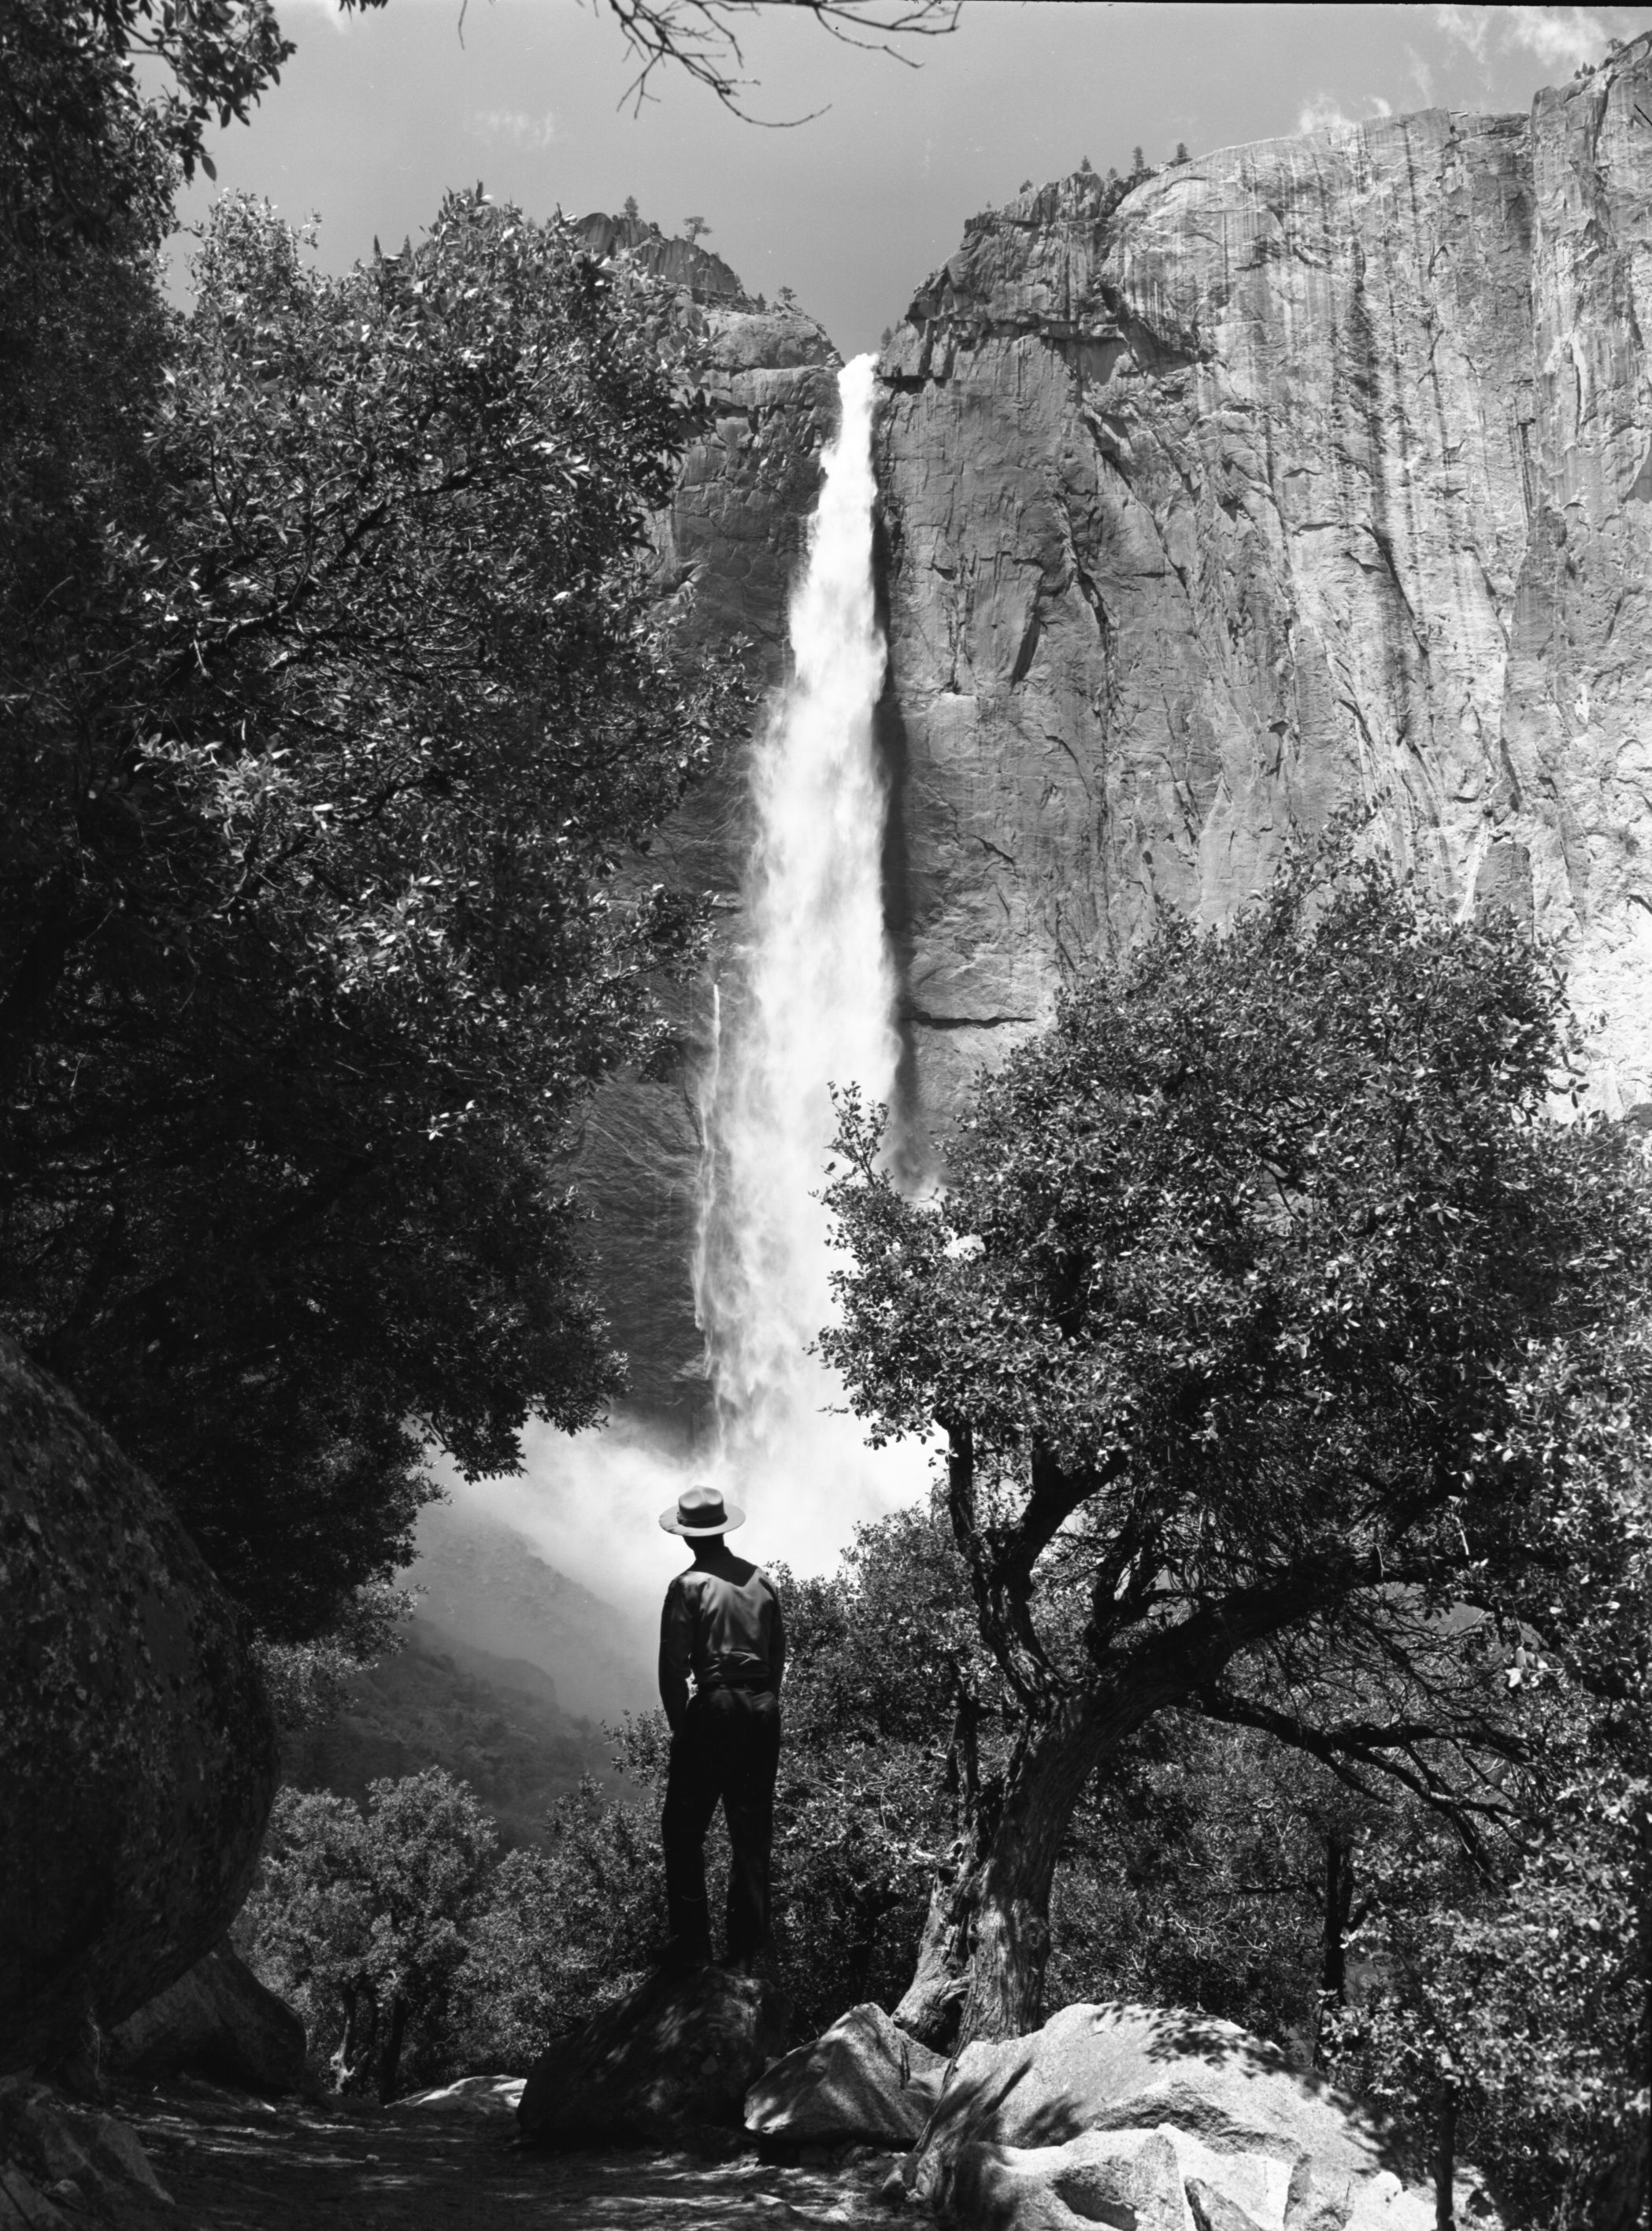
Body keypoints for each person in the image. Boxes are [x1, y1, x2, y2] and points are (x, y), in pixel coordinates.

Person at [656, 1483, 785, 1973]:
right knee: (751, 1832)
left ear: (687, 1536)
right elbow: (777, 1655)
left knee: (682, 1828)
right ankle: (745, 1953)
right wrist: (763, 1704)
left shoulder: (687, 1587)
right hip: (762, 1709)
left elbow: (673, 1667)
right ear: (724, 1529)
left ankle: (691, 1944)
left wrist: (682, 1729)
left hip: (716, 1708)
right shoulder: (761, 1581)